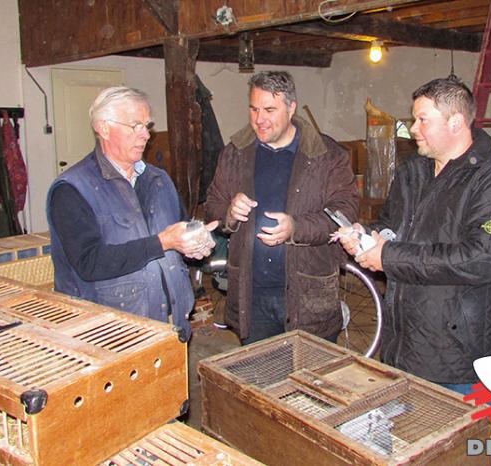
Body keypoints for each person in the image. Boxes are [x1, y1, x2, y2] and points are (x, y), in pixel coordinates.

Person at [339, 78, 491, 466]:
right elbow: (394, 224)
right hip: (405, 342)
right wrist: (369, 237)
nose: (413, 129)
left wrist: (389, 257)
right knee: (424, 451)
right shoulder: (413, 171)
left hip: (463, 355)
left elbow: (482, 256)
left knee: (479, 452)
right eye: (414, 120)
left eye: (422, 120)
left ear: (456, 122)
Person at [47, 86, 216, 342]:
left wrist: (194, 244)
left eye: (147, 125)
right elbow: (89, 263)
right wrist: (163, 242)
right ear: (104, 129)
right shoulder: (72, 190)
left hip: (173, 324)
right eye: (135, 126)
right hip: (113, 335)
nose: (146, 135)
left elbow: (178, 233)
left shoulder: (159, 180)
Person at [205, 71, 358, 345]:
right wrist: (228, 213)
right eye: (253, 109)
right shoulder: (234, 153)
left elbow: (344, 214)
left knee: (311, 381)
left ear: (291, 108)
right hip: (252, 295)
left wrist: (296, 228)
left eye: (269, 109)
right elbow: (212, 206)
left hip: (308, 294)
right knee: (259, 381)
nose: (259, 119)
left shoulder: (328, 155)